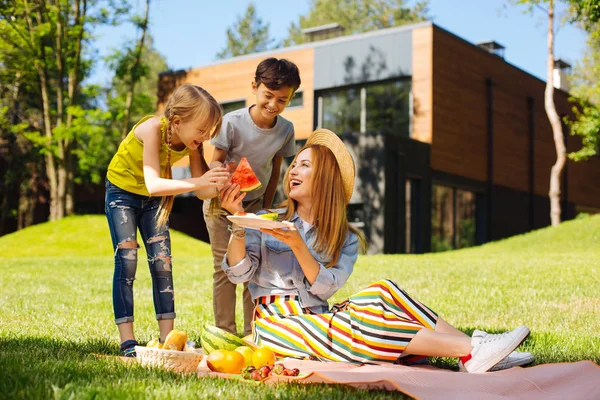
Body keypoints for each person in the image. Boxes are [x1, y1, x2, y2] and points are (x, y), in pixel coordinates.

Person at [219, 128, 534, 373]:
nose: (292, 172)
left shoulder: (345, 237)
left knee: (384, 291)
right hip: (277, 322)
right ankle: (473, 348)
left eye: (304, 165)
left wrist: (300, 247)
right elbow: (239, 274)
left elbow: (327, 288)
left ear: (325, 179)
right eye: (294, 165)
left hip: (319, 313)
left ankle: (471, 354)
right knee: (358, 325)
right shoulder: (263, 221)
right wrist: (237, 224)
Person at [105, 84, 231, 357]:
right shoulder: (152, 128)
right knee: (127, 261)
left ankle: (168, 341)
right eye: (202, 130)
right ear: (176, 122)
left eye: (210, 131)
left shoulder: (192, 144)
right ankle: (128, 341)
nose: (206, 136)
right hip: (122, 193)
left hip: (154, 200)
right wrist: (199, 181)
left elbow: (202, 192)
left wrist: (221, 180)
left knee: (162, 263)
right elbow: (152, 183)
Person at [203, 57, 301, 337]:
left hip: (257, 206)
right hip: (220, 205)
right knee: (225, 269)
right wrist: (226, 187)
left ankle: (252, 333)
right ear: (254, 87)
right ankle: (224, 333)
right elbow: (215, 164)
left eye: (282, 100)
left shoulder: (286, 130)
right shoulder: (231, 123)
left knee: (254, 270)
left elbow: (275, 171)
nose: (273, 105)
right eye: (268, 96)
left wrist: (267, 208)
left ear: (291, 99)